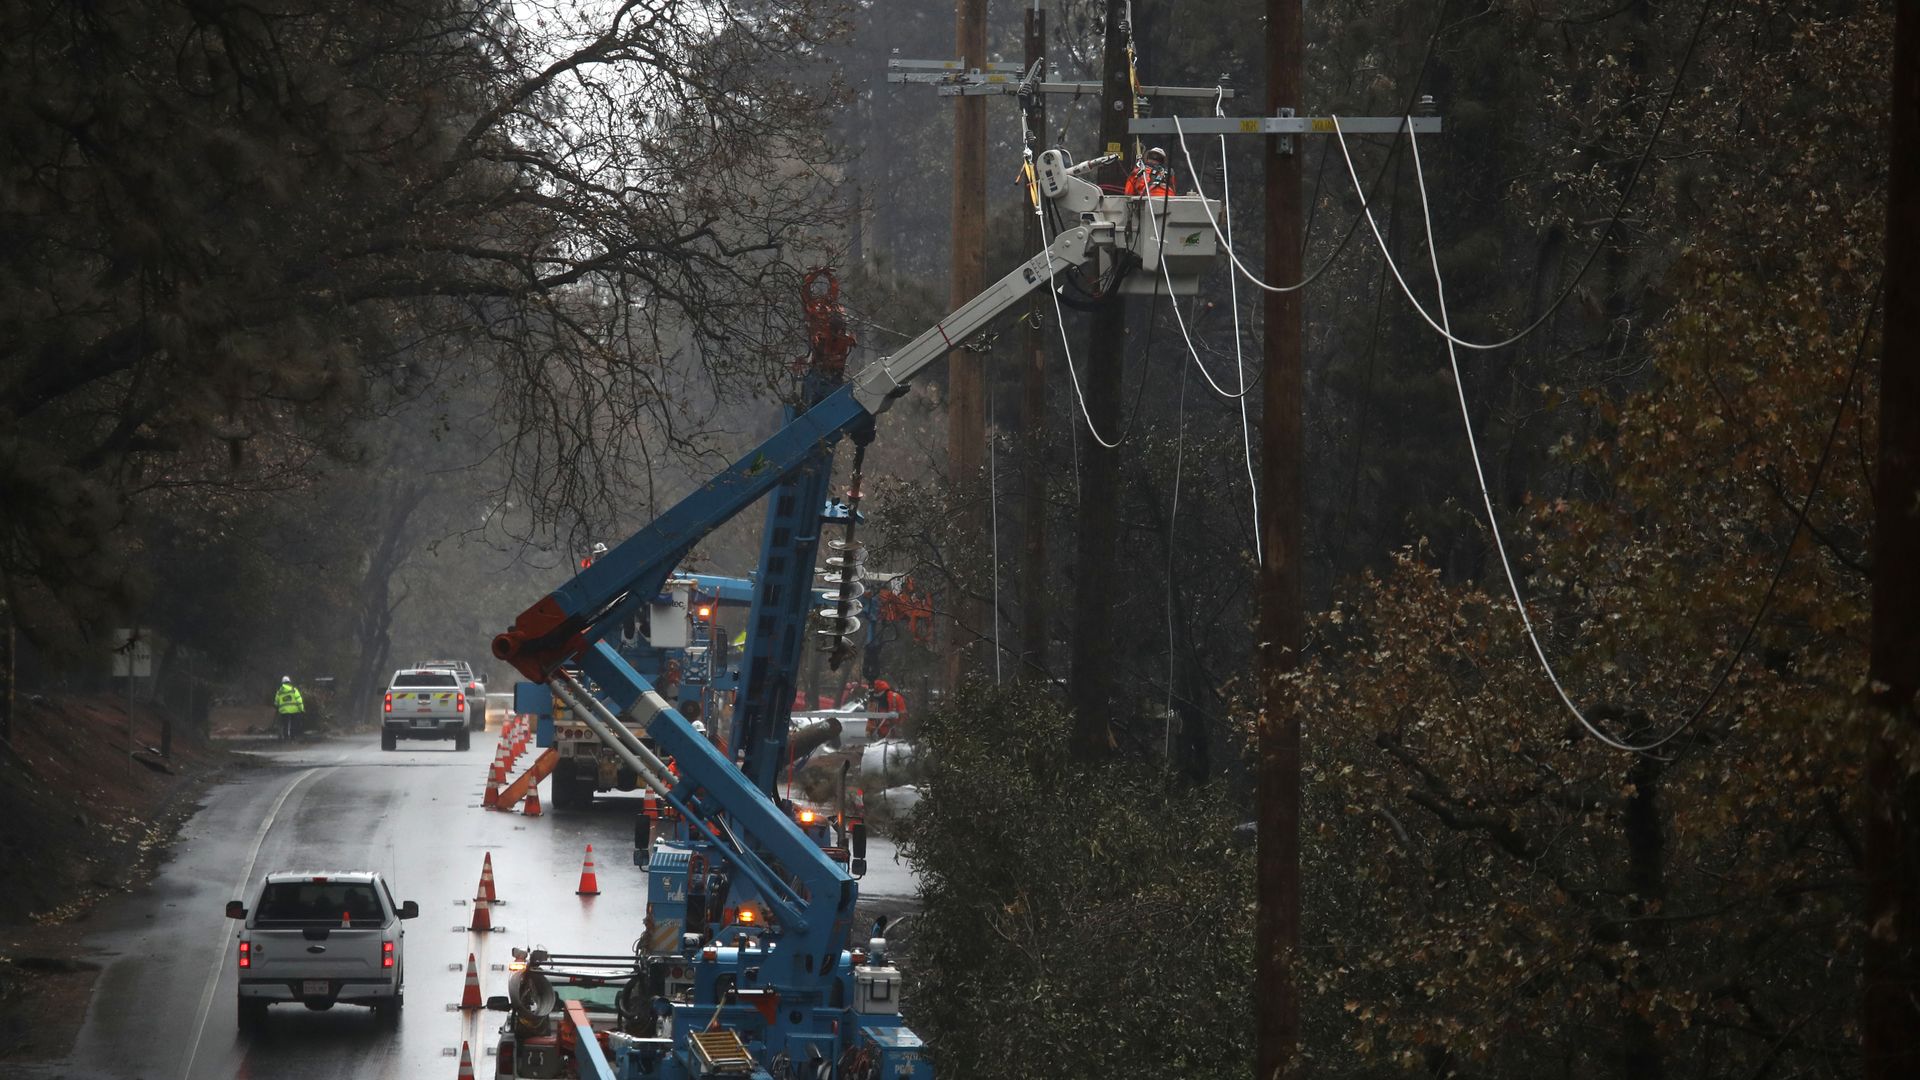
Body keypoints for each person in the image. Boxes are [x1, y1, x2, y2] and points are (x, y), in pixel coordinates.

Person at [273, 676, 305, 741]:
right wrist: (301, 709)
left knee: (285, 725)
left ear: (282, 683)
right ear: (289, 682)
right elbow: (299, 700)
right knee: (293, 724)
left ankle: (286, 738)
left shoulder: (279, 692)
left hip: (284, 711)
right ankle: (293, 737)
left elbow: (276, 702)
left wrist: (277, 707)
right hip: (294, 711)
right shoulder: (294, 690)